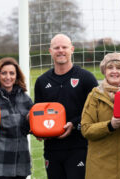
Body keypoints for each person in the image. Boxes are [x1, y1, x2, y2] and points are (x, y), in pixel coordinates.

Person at [34, 34, 98, 179]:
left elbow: (95, 112)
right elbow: (38, 113)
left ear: (72, 49)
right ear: (50, 51)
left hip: (79, 148)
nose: (60, 50)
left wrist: (74, 124)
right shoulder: (42, 81)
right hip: (52, 150)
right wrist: (37, 130)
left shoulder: (86, 78)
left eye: (64, 47)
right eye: (56, 47)